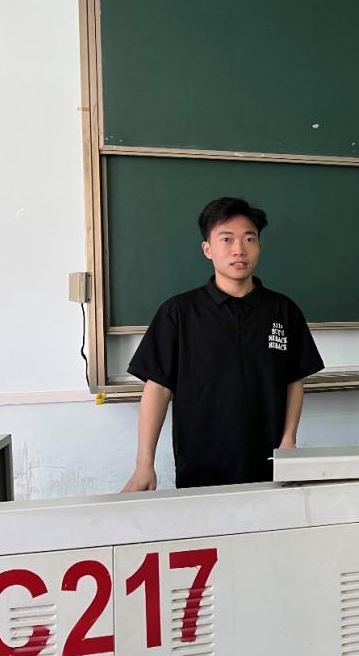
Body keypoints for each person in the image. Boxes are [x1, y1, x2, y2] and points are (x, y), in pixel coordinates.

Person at [121, 197, 324, 490]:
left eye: (249, 239)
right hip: (201, 468)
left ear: (259, 245)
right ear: (207, 249)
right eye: (226, 239)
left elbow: (294, 380)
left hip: (269, 464)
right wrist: (144, 465)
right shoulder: (178, 312)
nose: (239, 249)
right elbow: (158, 389)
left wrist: (288, 441)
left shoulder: (283, 310)